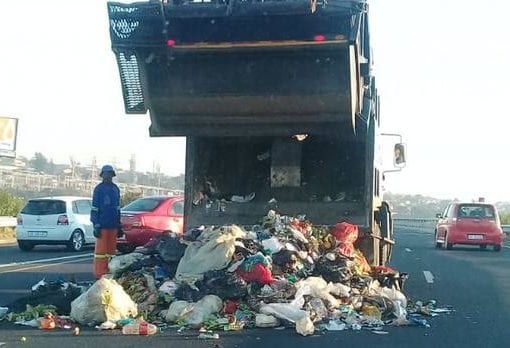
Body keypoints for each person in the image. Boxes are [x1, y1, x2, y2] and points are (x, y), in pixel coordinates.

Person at [90, 165, 122, 279]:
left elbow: (118, 208)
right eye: (106, 174)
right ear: (102, 175)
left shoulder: (115, 189)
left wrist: (119, 224)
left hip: (113, 225)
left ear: (112, 175)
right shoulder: (99, 189)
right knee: (100, 253)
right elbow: (94, 208)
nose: (108, 176)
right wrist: (96, 225)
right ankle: (99, 274)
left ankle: (110, 272)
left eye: (110, 174)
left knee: (111, 252)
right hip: (102, 225)